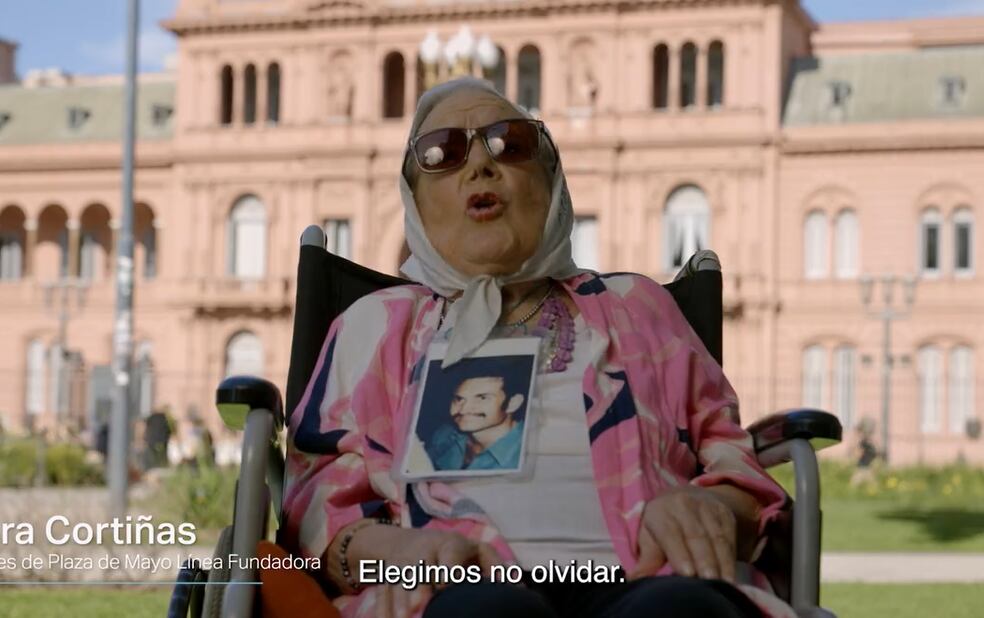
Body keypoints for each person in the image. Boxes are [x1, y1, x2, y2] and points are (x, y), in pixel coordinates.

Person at [284, 77, 792, 618]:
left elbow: (737, 467)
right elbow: (316, 503)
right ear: (416, 204)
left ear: (550, 182)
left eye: (510, 142)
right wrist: (392, 552)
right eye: (442, 153)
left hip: (646, 573)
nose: (480, 164)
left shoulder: (637, 306)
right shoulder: (376, 326)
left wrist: (710, 505)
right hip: (452, 585)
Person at [423, 359, 528, 471]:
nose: (463, 410)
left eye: (482, 398)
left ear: (513, 403)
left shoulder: (525, 455)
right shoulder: (445, 434)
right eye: (459, 399)